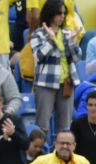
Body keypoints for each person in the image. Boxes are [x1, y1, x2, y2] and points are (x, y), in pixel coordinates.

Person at [29, 0, 81, 135]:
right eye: (59, 13)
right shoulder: (38, 34)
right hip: (45, 83)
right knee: (42, 126)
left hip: (66, 83)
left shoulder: (67, 33)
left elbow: (76, 58)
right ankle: (43, 154)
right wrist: (51, 40)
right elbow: (39, 57)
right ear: (50, 14)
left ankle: (62, 154)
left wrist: (72, 43)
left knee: (65, 127)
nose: (62, 16)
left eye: (64, 13)